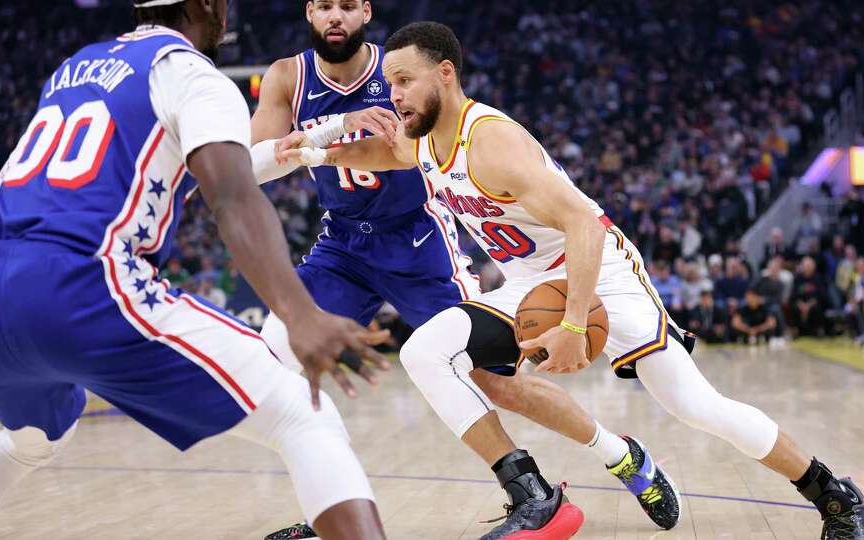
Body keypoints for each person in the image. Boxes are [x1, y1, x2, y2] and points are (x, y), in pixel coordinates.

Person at [281, 21, 864, 540]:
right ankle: (531, 494)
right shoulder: (425, 138)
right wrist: (312, 156)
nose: (394, 93)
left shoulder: (492, 141)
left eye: (405, 80)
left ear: (445, 73)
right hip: (527, 277)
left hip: (601, 273)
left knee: (696, 406)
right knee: (427, 352)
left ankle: (834, 493)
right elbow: (389, 158)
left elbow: (585, 225)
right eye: (390, 83)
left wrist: (571, 323)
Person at [249, 3, 681, 538]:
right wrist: (333, 128)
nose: (334, 15)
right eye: (323, 4)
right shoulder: (287, 76)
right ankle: (333, 514)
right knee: (275, 363)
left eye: (346, 4)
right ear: (309, 10)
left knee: (492, 381)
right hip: (342, 244)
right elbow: (249, 168)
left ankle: (621, 456)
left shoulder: (403, 70)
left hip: (419, 241)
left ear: (365, 10)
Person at [0, 2, 392, 539]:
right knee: (304, 415)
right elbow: (230, 194)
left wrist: (309, 143)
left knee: (34, 438)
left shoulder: (74, 67)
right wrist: (299, 314)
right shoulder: (192, 73)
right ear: (207, 8)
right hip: (82, 280)